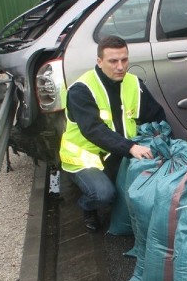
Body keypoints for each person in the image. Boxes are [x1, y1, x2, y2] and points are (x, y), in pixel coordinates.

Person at [59, 35, 167, 231]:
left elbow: (156, 115)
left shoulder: (133, 83)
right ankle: (87, 205)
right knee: (104, 195)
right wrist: (131, 147)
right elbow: (94, 130)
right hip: (85, 159)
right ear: (99, 62)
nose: (120, 67)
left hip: (117, 153)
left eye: (124, 60)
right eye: (113, 61)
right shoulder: (81, 90)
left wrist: (166, 143)